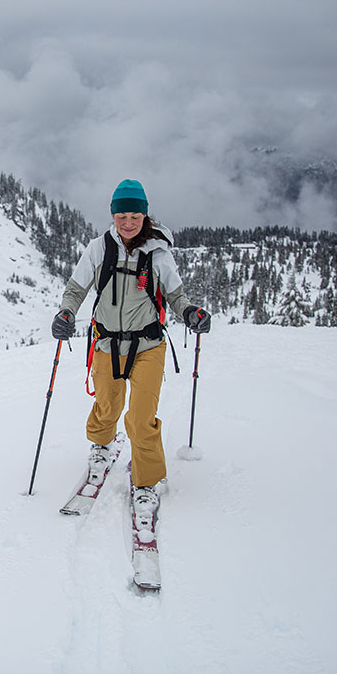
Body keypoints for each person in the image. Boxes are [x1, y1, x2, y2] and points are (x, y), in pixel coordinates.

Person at [50, 179, 211, 520]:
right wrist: (66, 312)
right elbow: (76, 289)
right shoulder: (99, 248)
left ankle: (146, 483)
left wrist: (190, 313)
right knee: (107, 405)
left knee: (140, 417)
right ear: (113, 215)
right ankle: (102, 446)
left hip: (148, 344)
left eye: (134, 215)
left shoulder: (157, 252)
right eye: (121, 215)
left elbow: (176, 297)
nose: (127, 222)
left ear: (145, 215)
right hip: (107, 342)